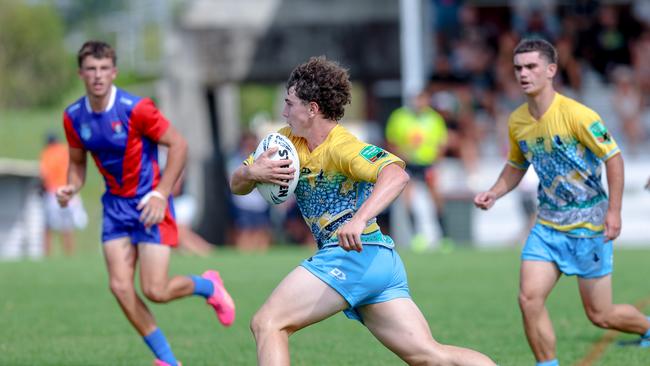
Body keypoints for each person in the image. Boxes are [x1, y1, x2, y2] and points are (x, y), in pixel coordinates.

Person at [231, 56, 496, 366]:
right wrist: (252, 174)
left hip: (353, 255)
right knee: (430, 356)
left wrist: (358, 219)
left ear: (312, 108)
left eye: (290, 104)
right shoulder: (285, 143)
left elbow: (397, 175)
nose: (283, 111)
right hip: (374, 261)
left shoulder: (343, 146)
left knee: (268, 323)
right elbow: (237, 183)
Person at [56, 41, 235, 366]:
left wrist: (160, 193)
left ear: (114, 72)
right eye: (91, 69)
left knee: (156, 290)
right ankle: (167, 360)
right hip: (114, 209)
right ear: (81, 73)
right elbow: (77, 162)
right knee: (120, 287)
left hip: (150, 204)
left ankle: (208, 285)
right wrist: (71, 186)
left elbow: (178, 145)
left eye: (103, 69)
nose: (97, 76)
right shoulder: (73, 117)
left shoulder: (136, 108)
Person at [474, 38, 650, 366]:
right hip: (547, 226)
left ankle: (647, 328)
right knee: (529, 298)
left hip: (589, 225)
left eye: (531, 67)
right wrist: (494, 192)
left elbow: (614, 158)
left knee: (601, 315)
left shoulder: (578, 115)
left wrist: (614, 211)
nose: (523, 74)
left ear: (551, 70)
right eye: (518, 68)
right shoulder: (517, 121)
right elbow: (517, 164)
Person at [385, 90, 449, 250]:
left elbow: (442, 143)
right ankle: (416, 237)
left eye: (422, 100)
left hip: (428, 164)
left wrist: (436, 161)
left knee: (436, 199)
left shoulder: (435, 118)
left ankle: (444, 236)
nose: (419, 104)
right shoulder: (399, 117)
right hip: (408, 164)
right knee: (408, 200)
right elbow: (391, 141)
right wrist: (401, 156)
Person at [40, 132, 87, 256]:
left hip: (54, 193)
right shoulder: (66, 150)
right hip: (70, 191)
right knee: (67, 227)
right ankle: (69, 254)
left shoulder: (48, 152)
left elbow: (44, 174)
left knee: (47, 227)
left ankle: (47, 255)